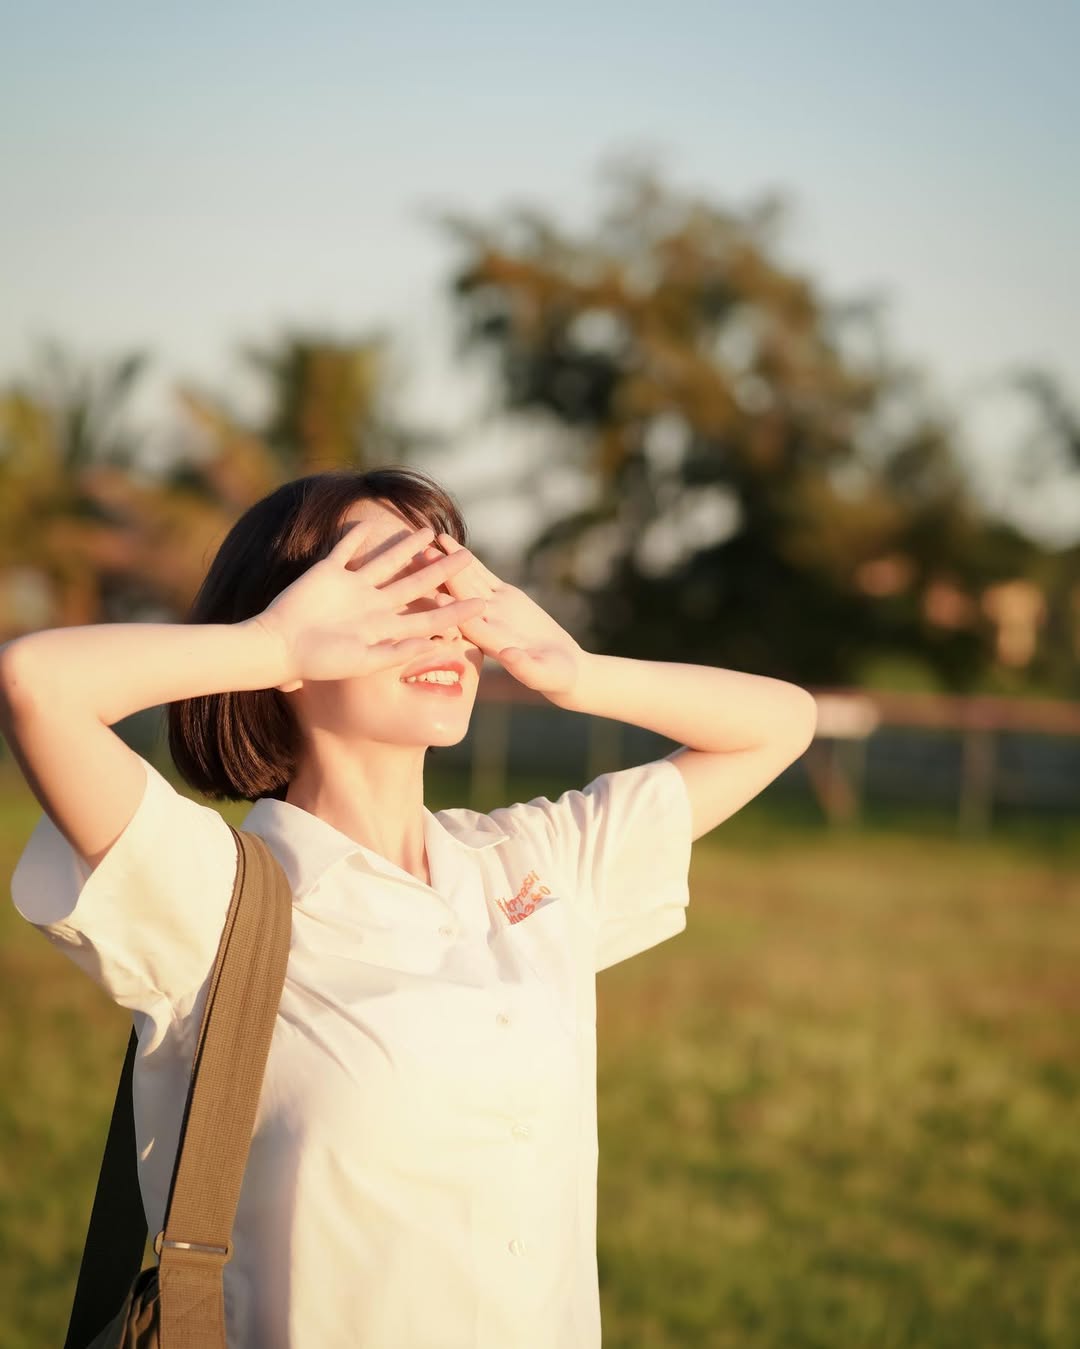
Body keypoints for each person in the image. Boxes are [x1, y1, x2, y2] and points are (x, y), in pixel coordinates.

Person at [0, 465, 817, 1347]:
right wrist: (273, 644)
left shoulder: (534, 860)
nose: (440, 626)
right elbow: (37, 684)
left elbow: (782, 721)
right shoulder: (211, 892)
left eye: (450, 589)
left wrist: (574, 670)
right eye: (391, 592)